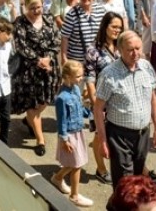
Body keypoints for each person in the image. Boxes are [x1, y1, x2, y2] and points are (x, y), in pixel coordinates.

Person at [93, 30, 156, 188]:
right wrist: (103, 141)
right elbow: (98, 109)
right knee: (124, 183)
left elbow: (153, 98)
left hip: (143, 134)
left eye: (138, 48)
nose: (135, 53)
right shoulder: (109, 74)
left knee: (138, 179)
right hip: (119, 136)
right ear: (119, 50)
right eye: (130, 50)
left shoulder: (146, 67)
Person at [11, 0, 61, 156]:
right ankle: (40, 140)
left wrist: (48, 58)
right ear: (26, 7)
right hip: (29, 70)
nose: (36, 11)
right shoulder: (20, 22)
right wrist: (38, 60)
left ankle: (29, 120)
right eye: (32, 8)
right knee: (32, 104)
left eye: (39, 7)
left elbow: (57, 40)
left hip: (49, 68)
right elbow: (21, 46)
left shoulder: (49, 19)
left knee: (45, 100)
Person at [84, 11, 123, 184]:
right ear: (105, 26)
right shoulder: (93, 50)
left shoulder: (122, 46)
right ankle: (101, 169)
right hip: (101, 100)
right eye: (114, 26)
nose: (117, 30)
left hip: (120, 100)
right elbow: (90, 78)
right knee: (100, 136)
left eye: (120, 27)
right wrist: (96, 105)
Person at [50, 60, 93, 208]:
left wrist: (89, 112)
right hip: (69, 135)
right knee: (76, 164)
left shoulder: (75, 89)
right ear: (68, 76)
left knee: (74, 162)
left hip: (78, 131)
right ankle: (74, 196)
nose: (81, 79)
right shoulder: (62, 98)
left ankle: (57, 178)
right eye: (78, 76)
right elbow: (61, 120)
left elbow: (80, 108)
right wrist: (64, 139)